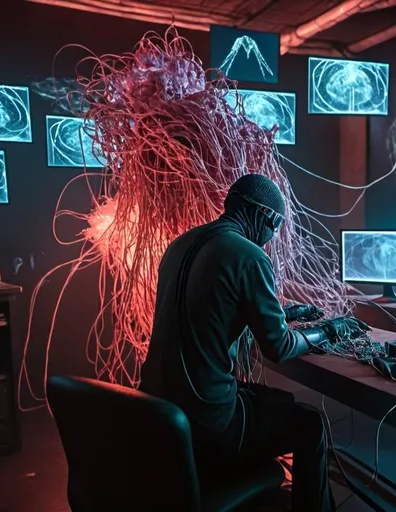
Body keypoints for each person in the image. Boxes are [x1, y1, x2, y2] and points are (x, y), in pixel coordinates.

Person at [140, 174, 369, 511]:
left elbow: (215, 312)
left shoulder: (180, 244)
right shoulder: (249, 255)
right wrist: (332, 329)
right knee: (309, 424)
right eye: (275, 227)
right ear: (264, 217)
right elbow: (278, 347)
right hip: (210, 420)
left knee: (276, 403)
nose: (272, 238)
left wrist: (285, 312)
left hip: (160, 410)